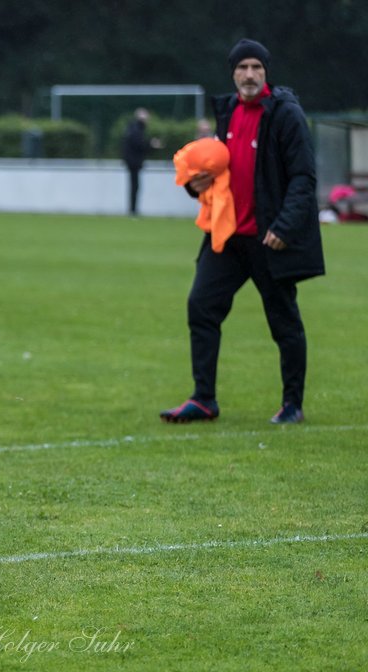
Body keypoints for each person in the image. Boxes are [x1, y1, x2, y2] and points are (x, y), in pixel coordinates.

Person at [160, 39, 324, 426]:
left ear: (266, 72)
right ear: (232, 73)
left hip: (270, 239)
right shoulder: (228, 110)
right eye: (242, 68)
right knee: (201, 306)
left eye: (256, 67)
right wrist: (193, 185)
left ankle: (292, 404)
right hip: (228, 236)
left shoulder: (286, 114)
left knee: (283, 321)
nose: (249, 75)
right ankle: (203, 400)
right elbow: (219, 169)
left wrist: (284, 226)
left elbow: (304, 177)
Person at [121, 108, 162, 215]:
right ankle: (133, 210)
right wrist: (152, 145)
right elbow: (139, 145)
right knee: (135, 186)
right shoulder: (136, 129)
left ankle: (133, 210)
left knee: (135, 186)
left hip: (132, 161)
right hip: (134, 162)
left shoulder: (133, 128)